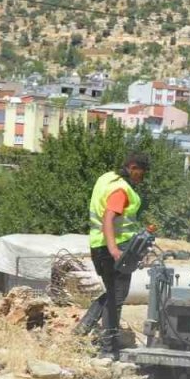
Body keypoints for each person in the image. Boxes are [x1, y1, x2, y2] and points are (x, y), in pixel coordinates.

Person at [75, 152, 148, 357]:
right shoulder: (121, 190)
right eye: (141, 174)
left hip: (98, 244)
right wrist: (115, 249)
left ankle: (82, 329)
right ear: (133, 167)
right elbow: (109, 218)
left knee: (112, 293)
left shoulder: (105, 178)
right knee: (116, 298)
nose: (141, 179)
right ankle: (108, 349)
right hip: (115, 249)